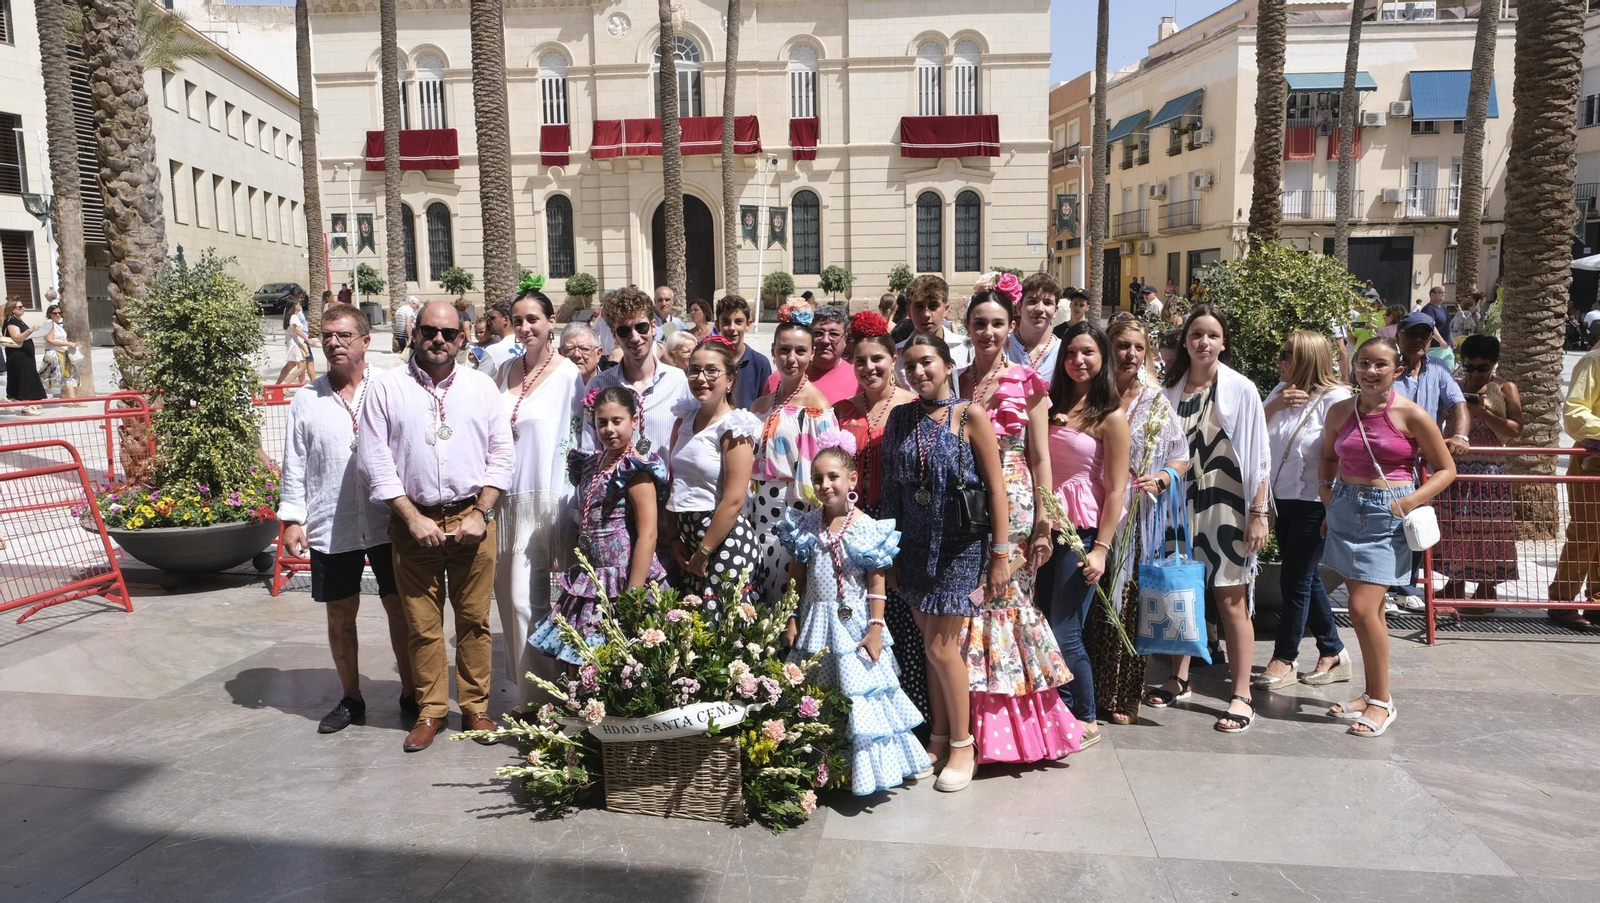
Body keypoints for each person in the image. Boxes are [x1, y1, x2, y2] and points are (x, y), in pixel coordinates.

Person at [358, 301, 513, 752]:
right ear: (414, 334)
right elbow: (376, 460)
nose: (438, 340)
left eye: (447, 332)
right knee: (421, 625)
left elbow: (502, 455)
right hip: (413, 523)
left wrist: (480, 513)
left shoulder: (482, 389)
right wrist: (411, 517)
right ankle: (430, 711)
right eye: (428, 331)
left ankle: (476, 708)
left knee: (474, 621)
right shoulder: (387, 388)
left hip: (473, 519)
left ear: (463, 338)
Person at [278, 304, 418, 733]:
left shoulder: (393, 387)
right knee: (340, 612)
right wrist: (291, 519)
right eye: (326, 337)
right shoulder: (307, 398)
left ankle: (412, 694)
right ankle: (351, 698)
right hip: (331, 522)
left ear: (365, 341)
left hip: (387, 520)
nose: (333, 343)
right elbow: (295, 463)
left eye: (342, 336)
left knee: (401, 609)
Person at [880, 333, 1010, 793]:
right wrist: (889, 552)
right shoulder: (900, 417)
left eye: (927, 363)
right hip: (914, 547)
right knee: (927, 644)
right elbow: (892, 491)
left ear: (948, 364)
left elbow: (996, 488)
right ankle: (937, 737)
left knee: (941, 648)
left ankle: (962, 743)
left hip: (959, 547)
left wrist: (1000, 554)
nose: (918, 372)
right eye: (910, 366)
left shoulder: (968, 414)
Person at [961, 292, 1084, 761]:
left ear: (1011, 326)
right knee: (973, 606)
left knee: (1008, 602)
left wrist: (1043, 525)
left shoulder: (1027, 382)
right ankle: (975, 725)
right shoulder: (960, 379)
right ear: (968, 327)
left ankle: (1021, 733)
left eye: (996, 323)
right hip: (967, 505)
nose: (988, 332)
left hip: (1014, 501)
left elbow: (1040, 457)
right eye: (979, 323)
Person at [778, 435, 934, 794]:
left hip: (855, 626)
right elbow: (796, 577)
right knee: (817, 692)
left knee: (861, 696)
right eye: (818, 478)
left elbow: (877, 582)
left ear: (852, 480)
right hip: (816, 625)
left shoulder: (866, 526)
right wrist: (791, 618)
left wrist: (876, 628)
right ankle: (825, 765)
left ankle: (869, 768)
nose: (825, 485)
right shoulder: (805, 524)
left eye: (833, 476)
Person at [1320, 337, 1456, 737]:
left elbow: (1446, 469)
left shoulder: (1411, 414)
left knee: (1362, 609)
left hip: (1387, 515)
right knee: (1371, 613)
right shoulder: (1341, 411)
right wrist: (1327, 496)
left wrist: (1408, 501)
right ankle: (1370, 693)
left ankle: (1382, 701)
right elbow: (1328, 456)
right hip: (1345, 508)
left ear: (1397, 370)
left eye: (1381, 365)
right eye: (1364, 363)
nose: (1370, 371)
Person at [1147, 305, 1271, 734]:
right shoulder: (1168, 392)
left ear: (1223, 342)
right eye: (1196, 334)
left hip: (1227, 507)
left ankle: (1241, 694)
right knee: (1182, 592)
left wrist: (1258, 513)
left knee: (1230, 599)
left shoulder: (1242, 390)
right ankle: (1179, 676)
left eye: (1212, 335)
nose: (1203, 342)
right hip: (1179, 508)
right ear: (1185, 341)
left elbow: (1259, 456)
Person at [1088, 318, 1187, 725]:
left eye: (1138, 347)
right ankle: (1089, 692)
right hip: (1090, 512)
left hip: (1137, 519)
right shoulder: (1091, 396)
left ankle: (1123, 696)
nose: (1130, 354)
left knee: (1127, 604)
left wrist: (1162, 478)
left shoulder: (1156, 401)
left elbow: (1180, 454)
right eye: (1122, 346)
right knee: (1092, 606)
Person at [493, 288, 586, 714]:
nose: (526, 327)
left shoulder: (569, 374)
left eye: (533, 319)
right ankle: (531, 694)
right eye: (518, 319)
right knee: (509, 600)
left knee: (539, 600)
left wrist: (564, 509)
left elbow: (575, 440)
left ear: (551, 322)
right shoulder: (504, 369)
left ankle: (552, 699)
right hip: (503, 500)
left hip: (545, 501)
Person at [1037, 320, 1129, 746]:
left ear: (1103, 358)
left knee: (1065, 628)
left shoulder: (1110, 417)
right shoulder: (1050, 403)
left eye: (1088, 352)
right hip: (1041, 527)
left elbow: (1115, 490)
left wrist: (1101, 550)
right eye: (1071, 352)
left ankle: (1085, 714)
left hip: (1082, 533)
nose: (1078, 360)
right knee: (1040, 624)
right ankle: (1055, 709)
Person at [532, 386, 669, 664]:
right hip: (593, 574)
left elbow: (648, 533)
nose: (609, 429)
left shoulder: (635, 469)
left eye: (617, 421)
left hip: (623, 577)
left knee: (617, 660)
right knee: (581, 657)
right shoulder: (591, 462)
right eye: (601, 422)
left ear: (634, 420)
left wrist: (635, 592)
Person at [834, 313, 925, 717]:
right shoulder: (841, 410)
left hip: (898, 523)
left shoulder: (912, 406)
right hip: (854, 522)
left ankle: (913, 715)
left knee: (900, 618)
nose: (869, 368)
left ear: (893, 360)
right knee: (859, 614)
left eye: (877, 359)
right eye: (860, 360)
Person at [1253, 331, 1352, 693]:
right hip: (1283, 499)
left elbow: (1343, 454)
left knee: (1293, 579)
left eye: (1288, 354)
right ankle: (1333, 649)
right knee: (1306, 578)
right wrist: (1274, 406)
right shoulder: (1278, 392)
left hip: (1316, 500)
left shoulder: (1336, 399)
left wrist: (1334, 506)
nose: (1281, 360)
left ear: (1310, 358)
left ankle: (1285, 656)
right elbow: (1253, 437)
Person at [665, 338, 763, 608]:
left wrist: (704, 551)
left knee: (720, 631)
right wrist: (675, 539)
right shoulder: (683, 420)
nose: (701, 378)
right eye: (694, 370)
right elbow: (674, 483)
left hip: (724, 541)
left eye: (711, 371)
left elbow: (733, 500)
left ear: (730, 379)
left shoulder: (735, 427)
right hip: (688, 538)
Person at [748, 317, 837, 604]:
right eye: (785, 350)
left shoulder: (817, 406)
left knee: (785, 591)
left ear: (812, 354)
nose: (791, 358)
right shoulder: (761, 405)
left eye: (800, 351)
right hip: (755, 507)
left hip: (794, 507)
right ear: (773, 350)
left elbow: (826, 467)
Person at [1389, 311, 1470, 612]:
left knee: (1416, 524)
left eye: (1424, 335)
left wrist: (1460, 437)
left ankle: (1406, 588)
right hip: (1390, 463)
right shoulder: (1388, 368)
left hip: (1423, 467)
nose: (1418, 340)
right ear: (1398, 336)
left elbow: (1458, 403)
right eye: (1411, 334)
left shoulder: (1438, 369)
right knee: (1388, 524)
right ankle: (1387, 588)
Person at [1437, 334, 1522, 611]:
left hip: (1489, 469)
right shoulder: (1453, 384)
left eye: (1482, 367)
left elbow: (1515, 430)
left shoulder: (1505, 388)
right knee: (1453, 523)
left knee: (1489, 528)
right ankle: (1455, 583)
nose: (1474, 373)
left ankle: (1487, 588)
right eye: (1469, 366)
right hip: (1455, 466)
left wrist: (1482, 412)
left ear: (1493, 365)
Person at [585, 287, 692, 456]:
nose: (634, 338)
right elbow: (590, 448)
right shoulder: (599, 385)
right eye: (624, 331)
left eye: (641, 327)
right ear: (614, 335)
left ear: (653, 327)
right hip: (614, 481)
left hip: (667, 481)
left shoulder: (678, 381)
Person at [1551, 343, 1600, 628]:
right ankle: (1562, 601)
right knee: (1585, 533)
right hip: (1593, 460)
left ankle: (1596, 601)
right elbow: (1575, 412)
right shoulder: (1594, 361)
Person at [765, 303, 857, 404]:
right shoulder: (777, 379)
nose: (825, 341)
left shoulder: (859, 378)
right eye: (818, 333)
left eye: (834, 334)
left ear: (845, 340)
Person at [894, 275, 972, 390]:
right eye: (919, 307)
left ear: (946, 309)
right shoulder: (897, 355)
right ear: (908, 311)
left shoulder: (966, 349)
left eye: (933, 306)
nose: (926, 314)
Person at [1007, 272, 1061, 390]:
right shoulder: (1002, 348)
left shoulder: (1064, 351)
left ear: (1056, 310)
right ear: (1019, 307)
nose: (1039, 309)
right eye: (1032, 301)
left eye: (1047, 303)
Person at [715, 295, 771, 410]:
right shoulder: (710, 360)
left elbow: (766, 406)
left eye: (738, 322)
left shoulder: (760, 363)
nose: (732, 328)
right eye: (726, 322)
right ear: (717, 325)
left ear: (748, 324)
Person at [3, 298, 46, 413]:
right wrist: (30, 330)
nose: (23, 309)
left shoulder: (19, 321)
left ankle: (10, 399)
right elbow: (17, 337)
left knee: (23, 378)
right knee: (25, 379)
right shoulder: (11, 322)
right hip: (18, 356)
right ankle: (27, 406)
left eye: (23, 306)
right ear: (12, 310)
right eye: (20, 307)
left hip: (25, 354)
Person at [38, 304, 83, 405]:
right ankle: (37, 402)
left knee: (69, 376)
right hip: (54, 354)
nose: (58, 315)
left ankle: (73, 401)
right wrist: (67, 343)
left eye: (59, 313)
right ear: (49, 314)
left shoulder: (57, 325)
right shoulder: (49, 324)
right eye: (55, 313)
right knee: (50, 378)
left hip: (62, 353)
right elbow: (50, 340)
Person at [276, 297, 314, 385]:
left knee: (290, 365)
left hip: (294, 343)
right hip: (296, 344)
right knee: (302, 367)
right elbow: (297, 330)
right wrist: (308, 340)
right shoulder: (294, 317)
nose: (300, 305)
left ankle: (278, 385)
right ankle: (285, 385)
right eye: (298, 304)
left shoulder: (291, 316)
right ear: (294, 306)